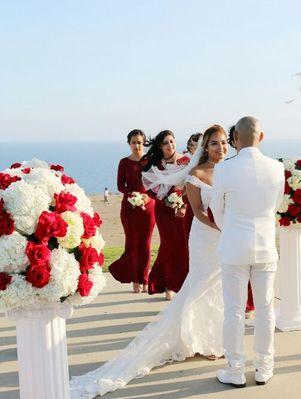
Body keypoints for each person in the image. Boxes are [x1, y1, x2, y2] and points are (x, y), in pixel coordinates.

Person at [69, 125, 229, 399]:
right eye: (215, 143)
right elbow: (200, 214)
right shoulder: (195, 173)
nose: (221, 148)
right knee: (198, 287)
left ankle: (208, 338)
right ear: (205, 146)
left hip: (224, 237)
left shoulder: (229, 170)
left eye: (224, 143)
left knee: (215, 289)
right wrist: (223, 226)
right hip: (207, 236)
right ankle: (186, 336)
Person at [211, 116, 284, 388]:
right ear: (261, 137)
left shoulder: (225, 170)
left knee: (234, 310)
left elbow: (217, 211)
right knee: (266, 309)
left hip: (233, 247)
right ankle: (265, 368)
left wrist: (230, 229)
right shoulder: (276, 168)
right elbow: (275, 205)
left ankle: (235, 369)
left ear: (235, 139)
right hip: (265, 246)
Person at [141, 130, 190, 300]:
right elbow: (151, 189)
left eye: (172, 141)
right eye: (166, 143)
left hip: (183, 209)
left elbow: (190, 186)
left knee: (184, 246)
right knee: (169, 245)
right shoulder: (157, 166)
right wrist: (167, 201)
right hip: (163, 210)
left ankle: (183, 283)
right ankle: (168, 283)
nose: (170, 145)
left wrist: (183, 205)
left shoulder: (186, 161)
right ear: (160, 147)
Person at [109, 129, 156, 294]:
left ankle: (144, 279)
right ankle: (135, 280)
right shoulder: (124, 162)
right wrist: (133, 194)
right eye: (134, 142)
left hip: (149, 206)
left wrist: (147, 197)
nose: (137, 145)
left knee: (146, 245)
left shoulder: (151, 161)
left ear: (144, 143)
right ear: (129, 143)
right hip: (129, 207)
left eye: (140, 142)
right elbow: (120, 186)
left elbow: (156, 184)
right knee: (132, 243)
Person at [227, 125, 256, 319]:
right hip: (233, 224)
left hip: (254, 223)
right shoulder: (226, 166)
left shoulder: (259, 165)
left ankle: (249, 304)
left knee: (253, 268)